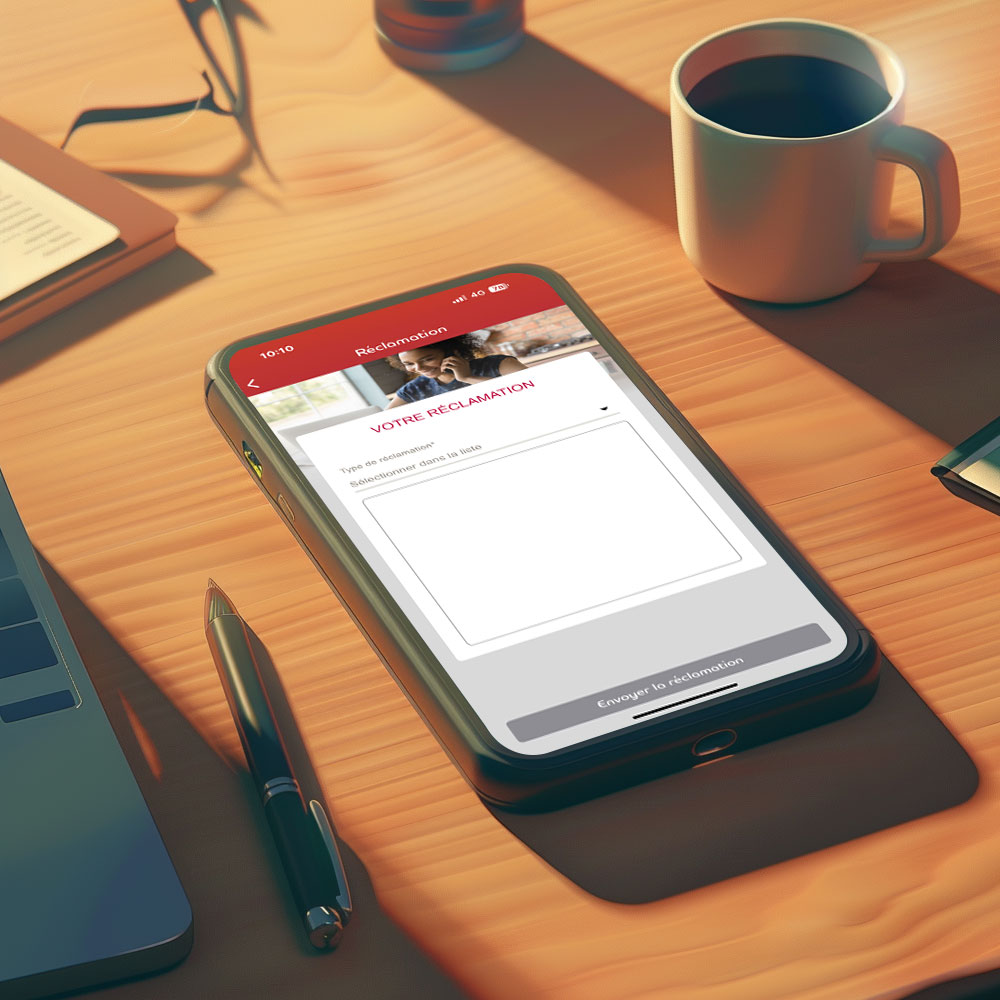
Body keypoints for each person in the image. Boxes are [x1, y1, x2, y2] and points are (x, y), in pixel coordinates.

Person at [386, 335, 527, 407]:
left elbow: (537, 386)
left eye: (427, 359)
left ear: (451, 352)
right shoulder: (413, 390)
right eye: (409, 364)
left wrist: (467, 378)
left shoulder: (499, 364)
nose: (419, 368)